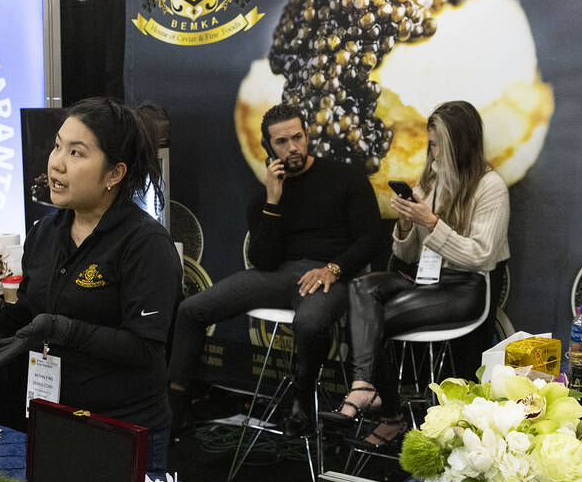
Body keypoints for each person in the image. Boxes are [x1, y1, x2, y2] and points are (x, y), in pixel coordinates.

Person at [0, 97, 181, 472]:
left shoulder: (146, 244)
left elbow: (144, 348)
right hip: (53, 418)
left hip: (123, 429)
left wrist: (63, 330)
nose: (56, 162)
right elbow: (30, 319)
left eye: (77, 153)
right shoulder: (44, 233)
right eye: (58, 145)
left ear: (114, 174)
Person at [168, 102, 382, 436]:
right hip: (280, 275)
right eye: (282, 142)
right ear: (269, 147)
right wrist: (272, 201)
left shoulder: (346, 178)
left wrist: (333, 269)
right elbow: (264, 261)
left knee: (310, 324)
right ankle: (175, 407)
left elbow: (371, 239)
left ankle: (301, 398)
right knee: (191, 310)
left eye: (297, 137)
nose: (293, 147)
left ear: (308, 135)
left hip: (332, 276)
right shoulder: (266, 195)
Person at [321, 100, 509, 449]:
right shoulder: (432, 179)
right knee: (361, 289)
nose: (432, 151)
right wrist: (406, 226)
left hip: (467, 287)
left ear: (458, 144)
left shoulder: (490, 187)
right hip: (424, 279)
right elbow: (405, 255)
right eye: (430, 143)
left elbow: (480, 256)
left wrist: (431, 222)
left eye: (437, 144)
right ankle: (366, 389)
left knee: (373, 320)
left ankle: (388, 414)